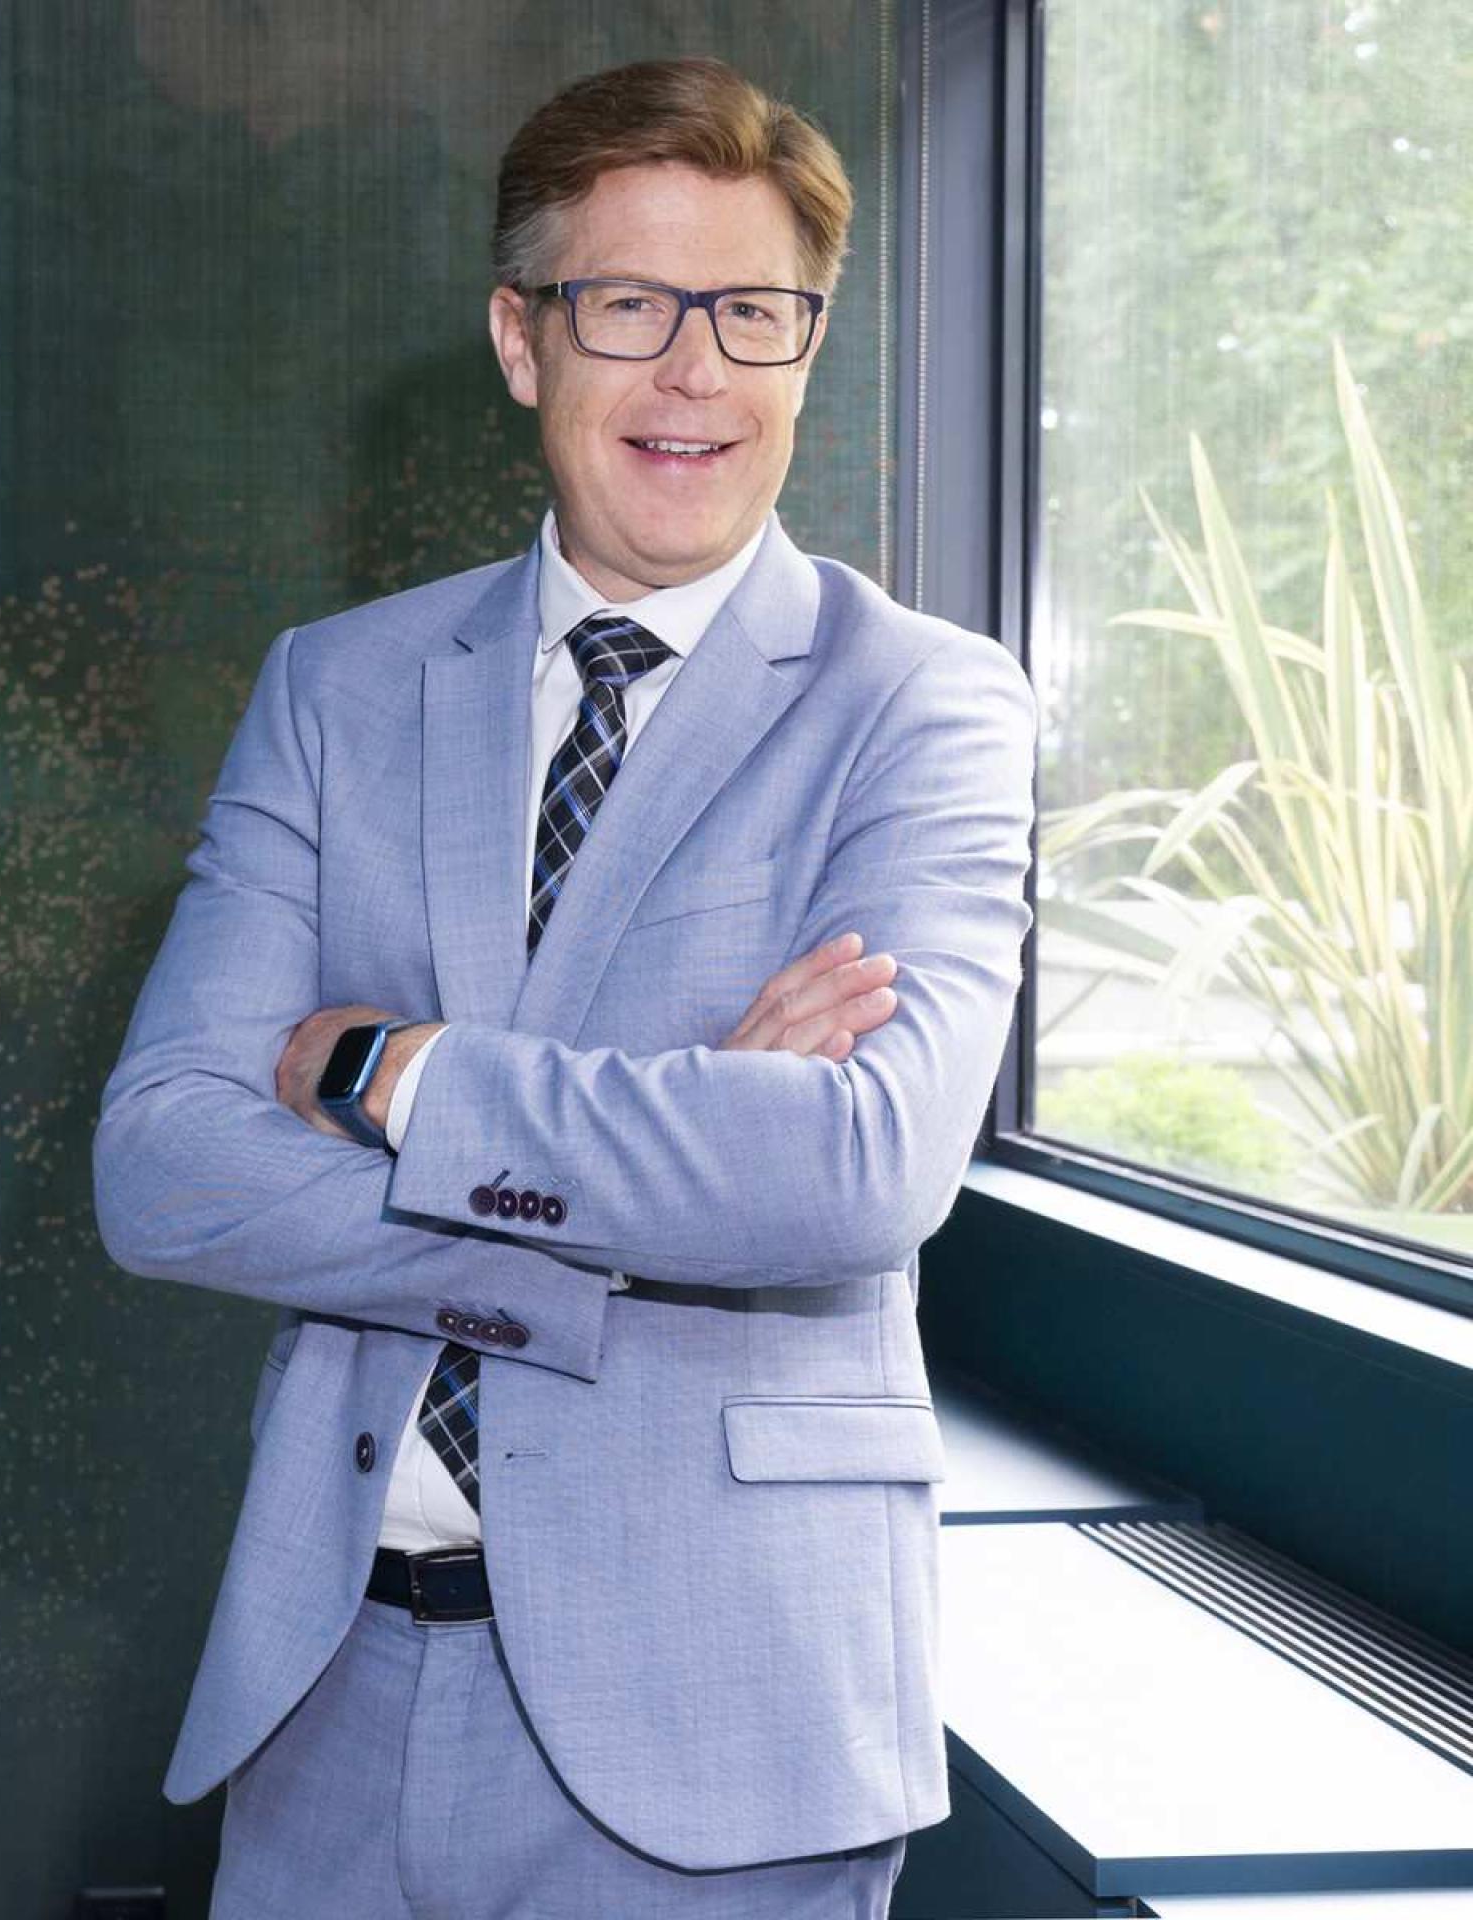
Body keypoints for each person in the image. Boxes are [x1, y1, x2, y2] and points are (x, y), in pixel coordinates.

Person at [95, 55, 1035, 1919]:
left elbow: (855, 1175)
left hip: (723, 1733)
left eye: (751, 312)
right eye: (629, 307)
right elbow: (163, 1170)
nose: (695, 373)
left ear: (806, 349)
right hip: (325, 1697)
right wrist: (658, 1180)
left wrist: (397, 1075)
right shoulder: (335, 689)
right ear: (523, 341)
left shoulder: (924, 703)